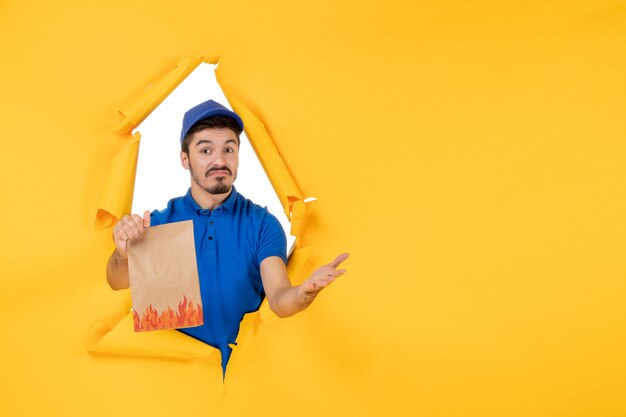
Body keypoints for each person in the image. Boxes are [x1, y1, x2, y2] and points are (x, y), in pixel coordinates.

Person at [106, 99, 349, 372]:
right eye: (206, 150)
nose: (219, 160)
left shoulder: (262, 224)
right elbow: (117, 281)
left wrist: (303, 293)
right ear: (185, 159)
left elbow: (280, 298)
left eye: (228, 149)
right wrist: (122, 253)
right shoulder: (160, 223)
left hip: (243, 379)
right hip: (173, 381)